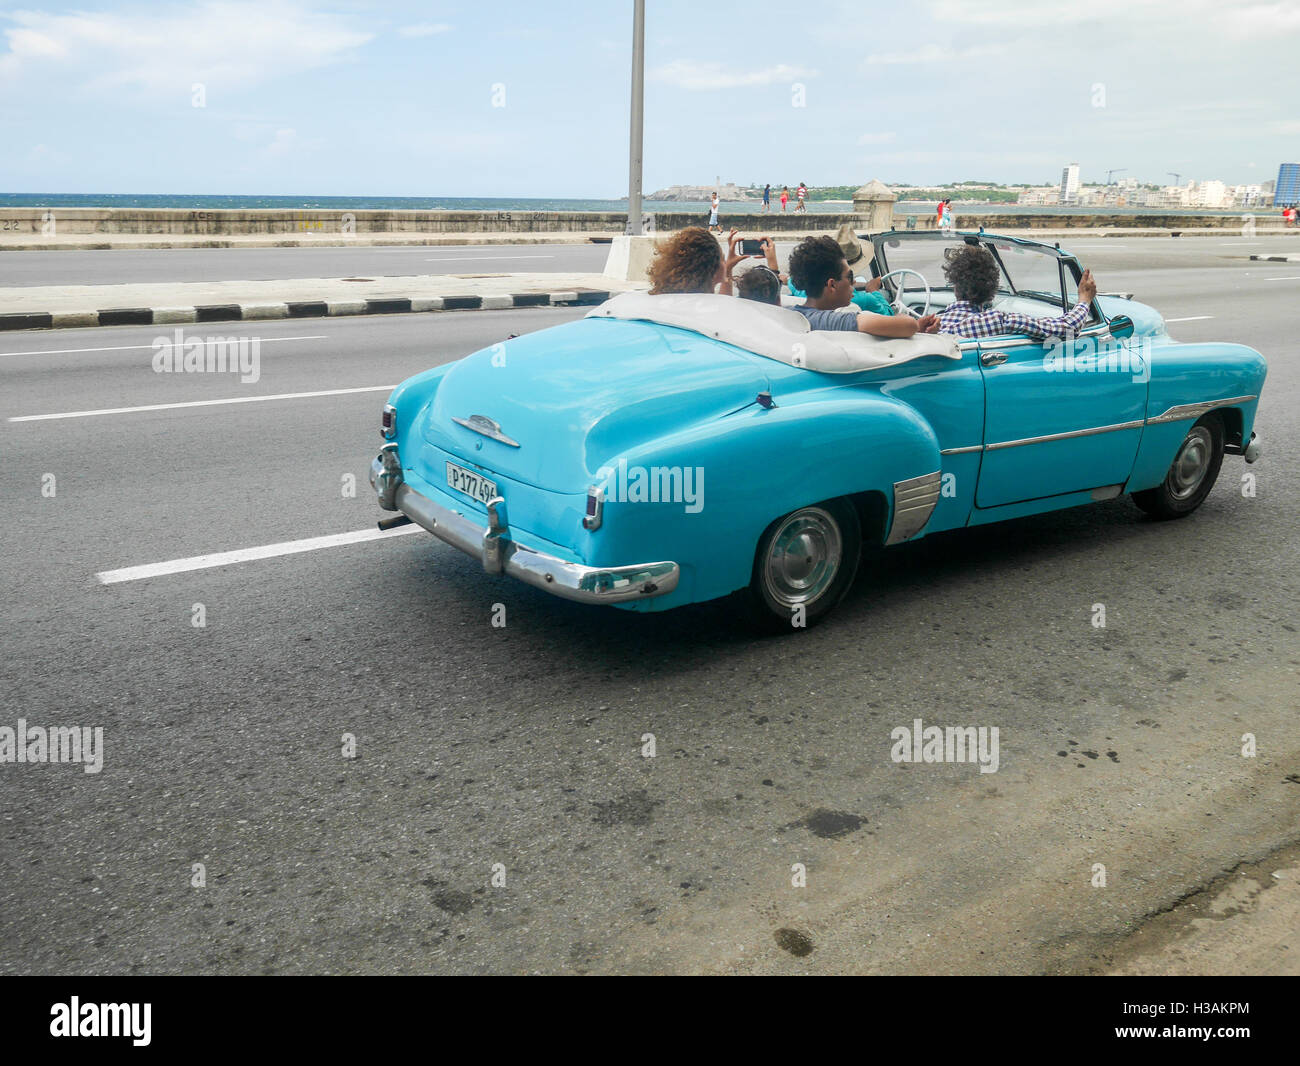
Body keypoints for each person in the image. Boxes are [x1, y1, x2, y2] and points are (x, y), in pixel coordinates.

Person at [788, 235, 938, 337]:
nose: (853, 283)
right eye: (850, 277)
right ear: (832, 285)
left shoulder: (790, 313)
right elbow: (908, 325)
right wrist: (913, 324)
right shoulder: (836, 321)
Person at [937, 245, 1096, 339]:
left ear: (955, 285)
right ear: (991, 290)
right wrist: (1085, 299)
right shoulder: (996, 321)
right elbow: (1068, 328)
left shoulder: (931, 324)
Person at [787, 223, 895, 316]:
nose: (854, 281)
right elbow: (890, 315)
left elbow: (791, 281)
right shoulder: (862, 302)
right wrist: (874, 291)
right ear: (832, 284)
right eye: (850, 277)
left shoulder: (803, 291)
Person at [647, 226, 748, 295]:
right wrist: (728, 269)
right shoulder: (710, 310)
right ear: (714, 269)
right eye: (722, 258)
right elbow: (723, 306)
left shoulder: (661, 296)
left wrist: (728, 267)